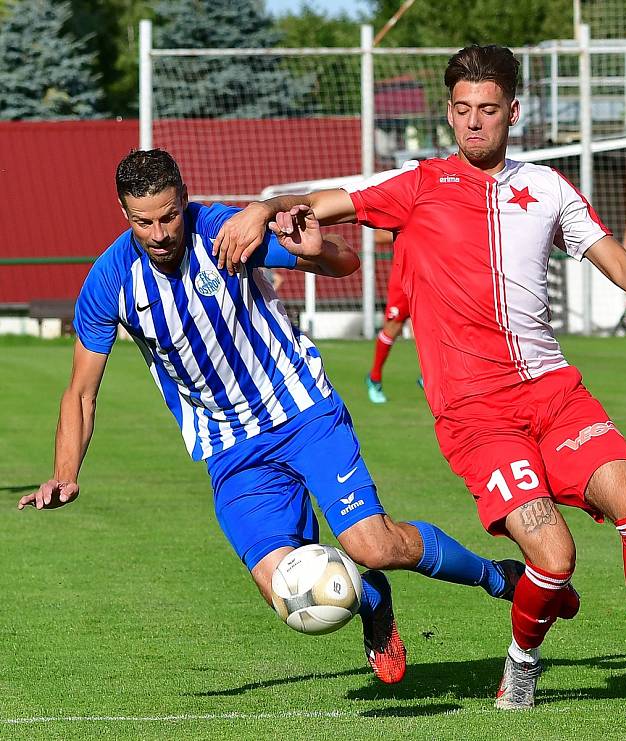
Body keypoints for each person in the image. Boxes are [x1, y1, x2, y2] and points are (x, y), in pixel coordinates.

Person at [212, 46, 626, 710]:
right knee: (554, 559)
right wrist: (260, 209)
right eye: (463, 111)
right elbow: (327, 203)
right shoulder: (418, 184)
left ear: (513, 113)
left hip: (554, 392)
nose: (474, 124)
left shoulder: (550, 188)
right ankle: (521, 662)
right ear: (449, 112)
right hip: (478, 416)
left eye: (488, 110)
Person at [18, 149, 526, 686]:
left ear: (184, 201)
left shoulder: (225, 232)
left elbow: (343, 262)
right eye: (144, 222)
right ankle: (372, 596)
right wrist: (66, 472)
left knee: (372, 545)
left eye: (169, 216)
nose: (160, 232)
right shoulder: (109, 281)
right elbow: (80, 393)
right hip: (229, 446)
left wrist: (321, 251)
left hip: (301, 408)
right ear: (126, 216)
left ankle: (495, 576)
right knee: (286, 592)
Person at [366, 229, 422, 404]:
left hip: (430, 275)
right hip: (403, 275)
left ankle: (429, 376)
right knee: (392, 328)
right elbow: (378, 236)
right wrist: (417, 234)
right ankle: (374, 378)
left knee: (433, 326)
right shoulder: (404, 209)